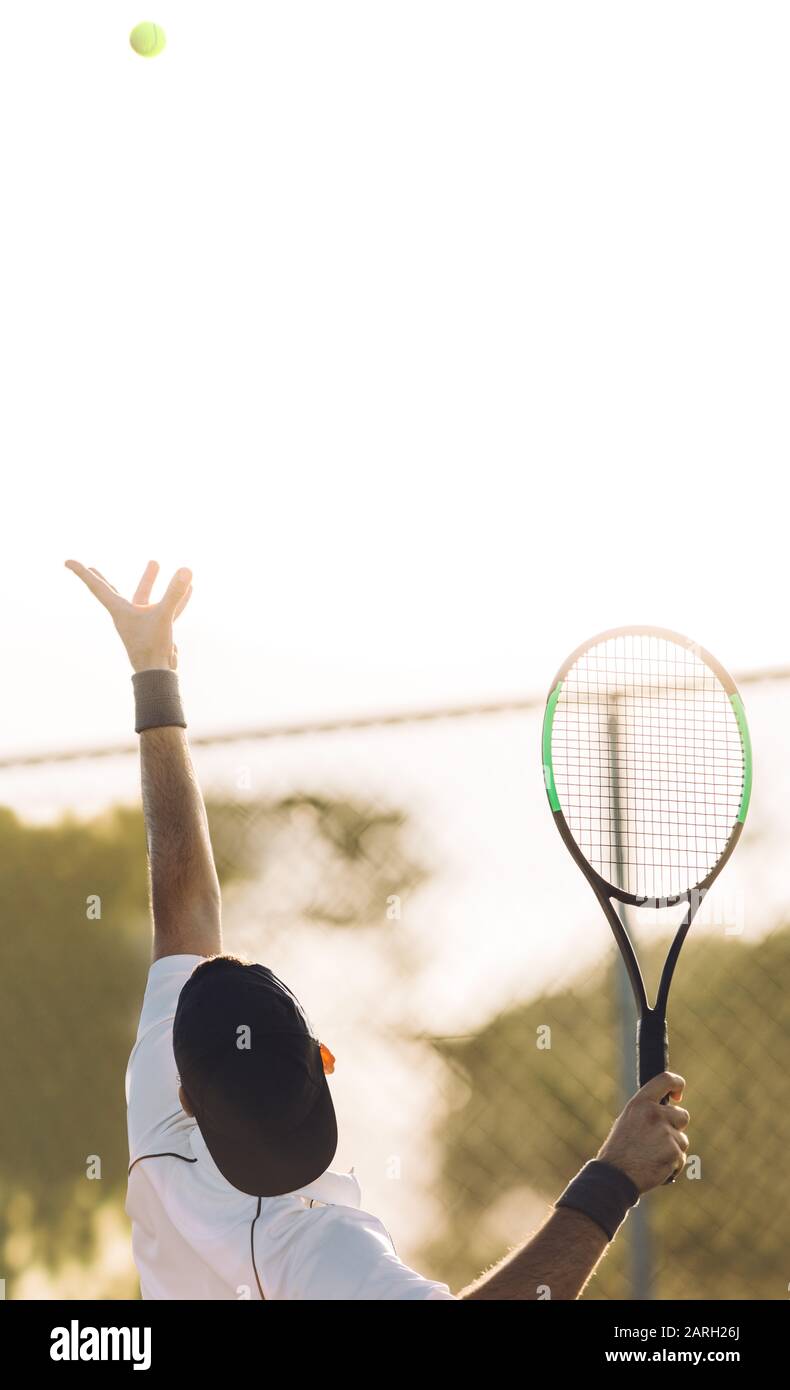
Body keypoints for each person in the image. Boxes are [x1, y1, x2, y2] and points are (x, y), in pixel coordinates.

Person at [66, 558, 690, 1301]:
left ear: (190, 1093)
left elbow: (183, 907)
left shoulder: (163, 1129)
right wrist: (612, 1180)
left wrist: (154, 672)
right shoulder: (314, 1248)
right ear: (321, 1060)